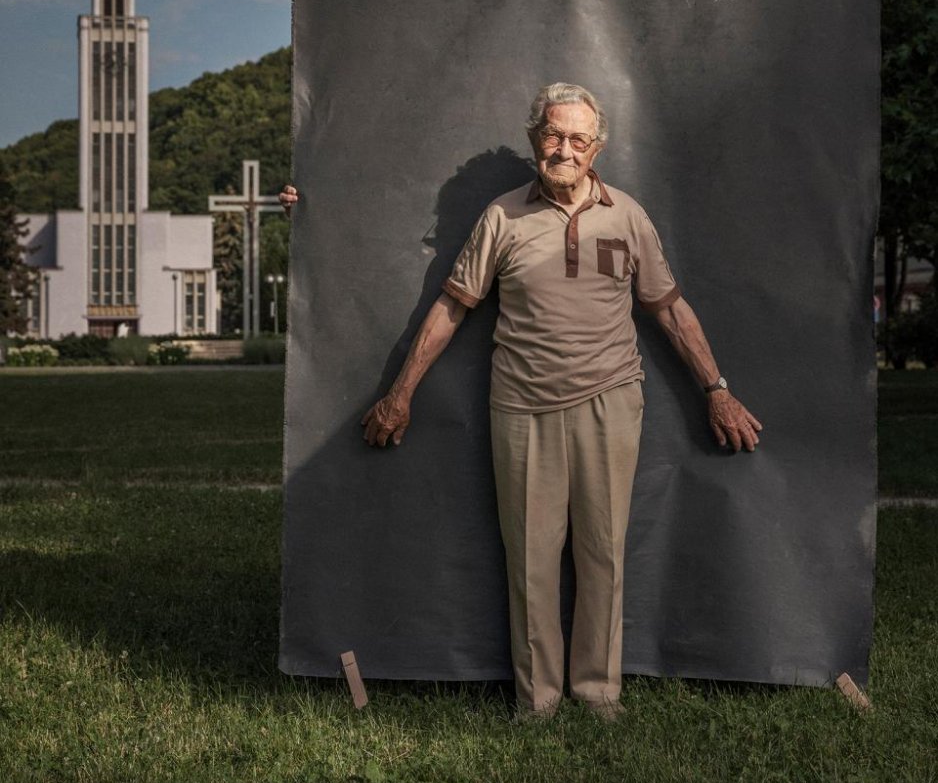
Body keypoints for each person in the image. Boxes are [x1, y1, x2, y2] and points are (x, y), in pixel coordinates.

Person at [280, 82, 762, 721]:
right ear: (535, 139)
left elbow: (669, 310)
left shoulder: (628, 216)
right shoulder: (502, 217)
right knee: (531, 557)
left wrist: (717, 390)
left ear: (597, 149)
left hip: (612, 400)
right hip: (522, 406)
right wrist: (400, 393)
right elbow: (452, 307)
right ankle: (538, 700)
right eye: (553, 135)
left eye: (578, 139)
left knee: (604, 551)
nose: (564, 149)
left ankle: (598, 692)